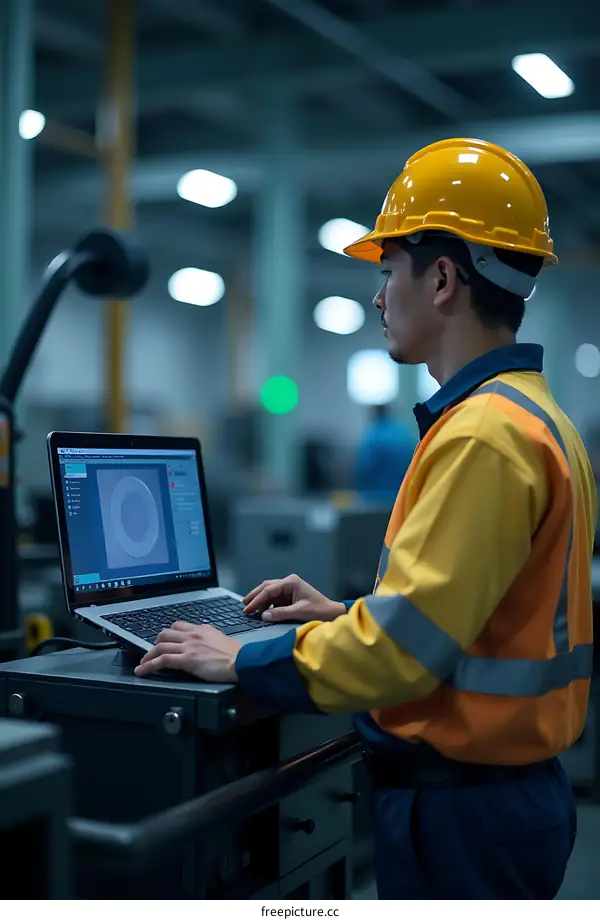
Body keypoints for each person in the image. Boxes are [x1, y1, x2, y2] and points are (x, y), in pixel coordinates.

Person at [135, 138, 597, 899]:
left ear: (443, 278)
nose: (380, 296)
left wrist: (238, 659)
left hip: (464, 813)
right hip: (503, 798)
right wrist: (346, 615)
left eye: (389, 271)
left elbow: (400, 656)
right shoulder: (537, 418)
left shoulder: (485, 433)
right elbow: (470, 620)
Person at [355, 403, 415, 503]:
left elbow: (364, 469)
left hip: (376, 497)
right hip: (402, 496)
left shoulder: (373, 436)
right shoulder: (403, 433)